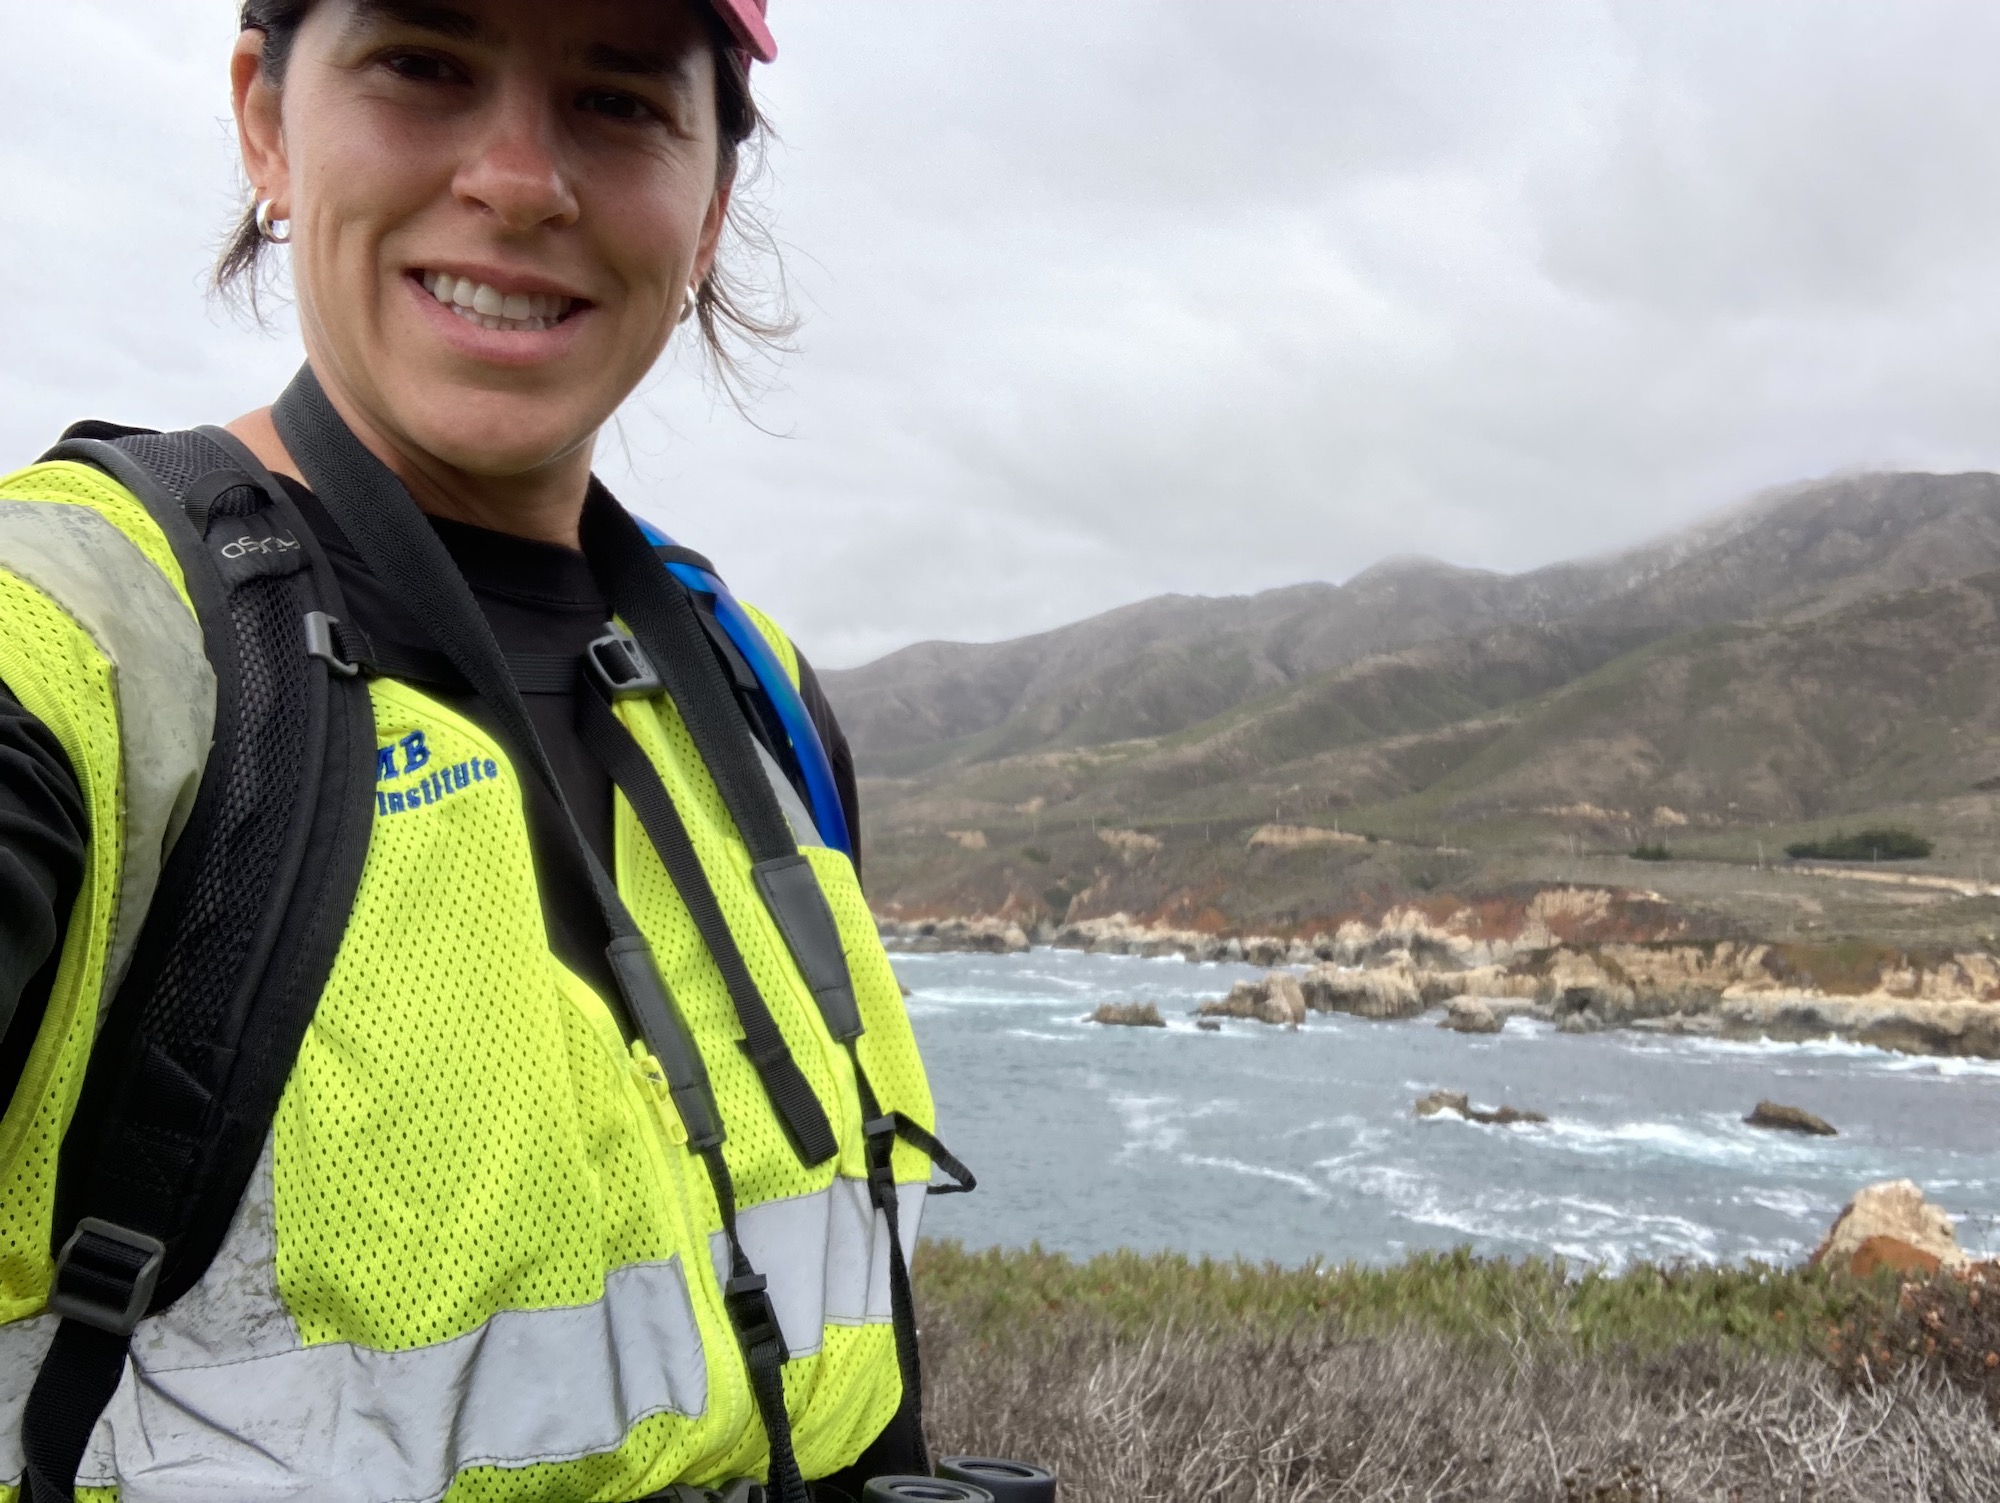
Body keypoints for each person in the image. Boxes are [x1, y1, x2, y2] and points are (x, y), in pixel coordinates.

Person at [0, 3, 952, 1500]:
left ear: (708, 208)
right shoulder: (83, 639)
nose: (519, 179)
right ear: (266, 120)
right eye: (425, 65)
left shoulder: (745, 687)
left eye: (621, 99)